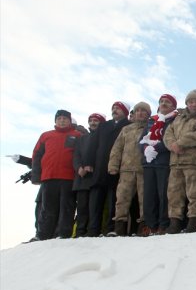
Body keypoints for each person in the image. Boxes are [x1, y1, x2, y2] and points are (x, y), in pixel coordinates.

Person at [164, 90, 196, 233]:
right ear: (187, 103)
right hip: (176, 162)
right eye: (191, 102)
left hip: (195, 162)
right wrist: (172, 145)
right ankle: (175, 223)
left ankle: (194, 221)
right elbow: (168, 133)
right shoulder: (178, 118)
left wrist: (181, 143)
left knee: (194, 193)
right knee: (173, 194)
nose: (194, 104)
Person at [31, 110, 81, 240]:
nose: (62, 120)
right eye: (59, 118)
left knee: (67, 207)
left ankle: (63, 234)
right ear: (55, 121)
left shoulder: (78, 135)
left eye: (65, 118)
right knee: (47, 208)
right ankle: (42, 235)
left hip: (69, 177)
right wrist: (36, 176)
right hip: (49, 177)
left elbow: (81, 155)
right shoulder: (46, 135)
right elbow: (37, 155)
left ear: (70, 121)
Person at [84, 101, 131, 236]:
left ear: (125, 112)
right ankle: (93, 230)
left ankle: (110, 229)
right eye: (113, 108)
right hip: (99, 168)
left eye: (118, 108)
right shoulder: (104, 126)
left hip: (118, 169)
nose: (115, 110)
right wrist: (89, 162)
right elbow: (93, 144)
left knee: (114, 201)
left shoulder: (128, 126)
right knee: (95, 202)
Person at [108, 102, 151, 236]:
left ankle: (144, 227)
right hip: (126, 170)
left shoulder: (151, 128)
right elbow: (117, 148)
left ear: (148, 114)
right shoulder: (126, 129)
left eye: (143, 111)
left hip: (144, 169)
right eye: (137, 111)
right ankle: (119, 228)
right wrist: (113, 165)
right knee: (121, 199)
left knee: (145, 199)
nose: (140, 113)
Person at [139, 94, 178, 235]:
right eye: (161, 101)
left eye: (167, 102)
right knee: (148, 195)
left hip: (164, 162)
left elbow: (172, 139)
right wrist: (146, 149)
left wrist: (156, 148)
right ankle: (151, 225)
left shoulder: (175, 120)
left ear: (173, 106)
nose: (163, 104)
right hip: (149, 163)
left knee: (163, 195)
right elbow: (141, 140)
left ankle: (163, 224)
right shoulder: (151, 122)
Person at [72, 113, 104, 237]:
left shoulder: (103, 138)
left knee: (94, 207)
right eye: (90, 120)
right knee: (82, 207)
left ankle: (93, 231)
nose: (92, 123)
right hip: (81, 178)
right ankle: (80, 231)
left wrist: (91, 166)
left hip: (96, 177)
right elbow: (76, 155)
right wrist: (79, 167)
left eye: (96, 120)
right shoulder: (82, 138)